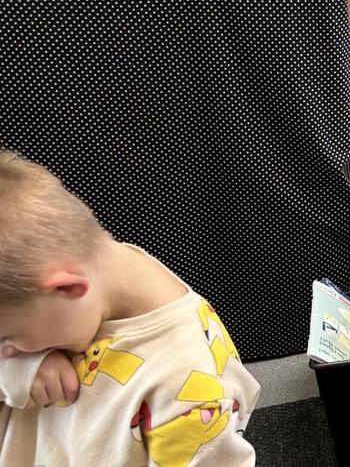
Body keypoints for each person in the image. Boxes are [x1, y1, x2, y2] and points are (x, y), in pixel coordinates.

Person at [0, 151, 260, 466]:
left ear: (66, 288)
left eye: (7, 339)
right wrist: (18, 369)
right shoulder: (91, 279)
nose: (7, 351)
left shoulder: (184, 393)